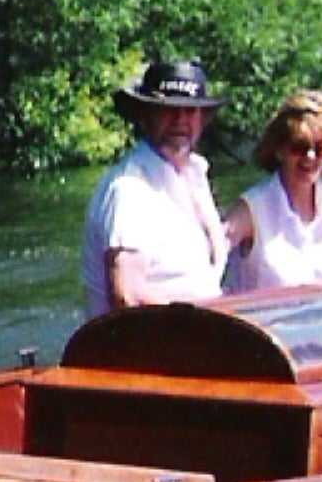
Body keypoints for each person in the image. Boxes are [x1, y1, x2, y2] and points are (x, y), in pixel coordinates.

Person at [82, 58, 229, 316]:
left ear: (202, 118)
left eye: (190, 111)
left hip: (200, 339)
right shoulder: (129, 190)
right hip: (148, 348)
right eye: (168, 109)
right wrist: (213, 323)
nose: (180, 120)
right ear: (145, 116)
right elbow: (128, 295)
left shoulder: (194, 174)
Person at [223, 90, 322, 295]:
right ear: (280, 148)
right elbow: (208, 259)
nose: (309, 157)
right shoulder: (250, 209)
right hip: (264, 325)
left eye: (319, 148)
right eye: (299, 147)